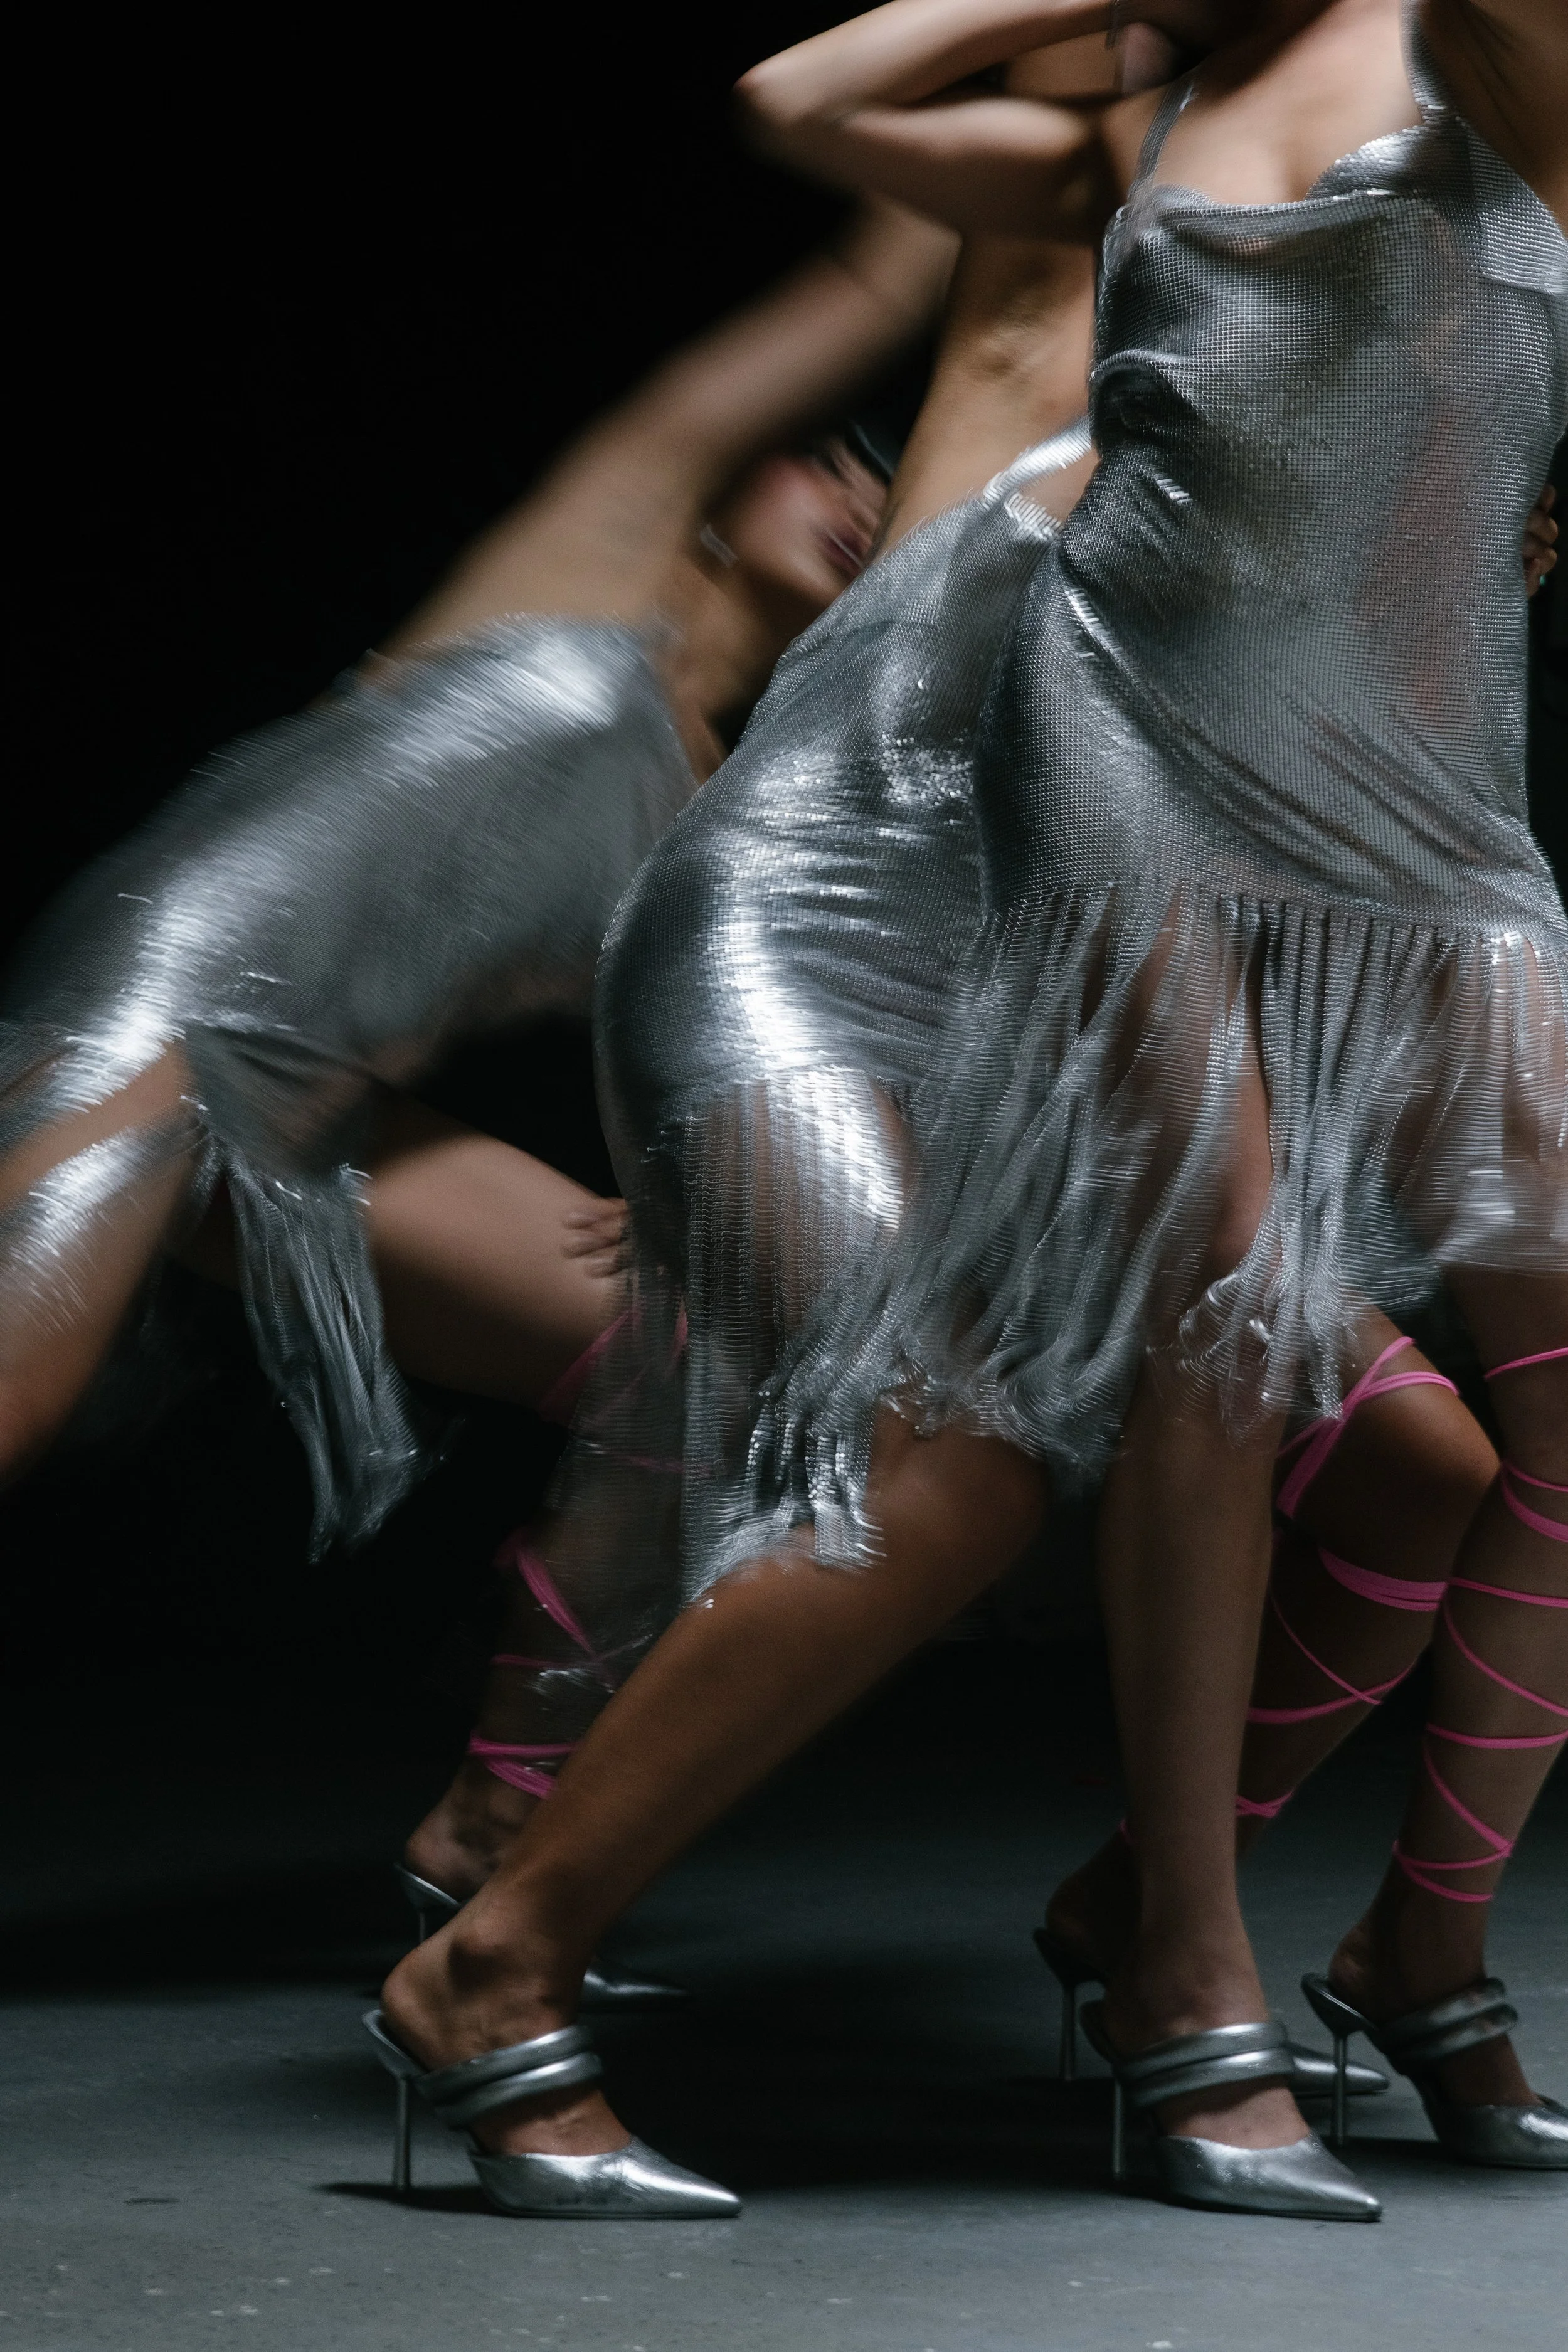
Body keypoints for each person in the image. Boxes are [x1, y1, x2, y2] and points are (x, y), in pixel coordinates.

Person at [370, 4, 1565, 2220]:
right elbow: (810, 88)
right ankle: (492, 1951)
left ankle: (1196, 1936)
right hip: (819, 931)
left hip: (1072, 943)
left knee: (1414, 1454)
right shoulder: (1131, 146)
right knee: (970, 1464)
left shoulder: (1455, 144)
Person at [0, 201, 953, 1557]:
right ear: (737, 472)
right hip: (159, 1001)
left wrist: (693, 1191)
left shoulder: (719, 827)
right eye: (826, 463)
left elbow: (745, 1054)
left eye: (891, 493)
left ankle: (511, 1773)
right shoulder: (596, 556)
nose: (860, 503)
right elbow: (873, 272)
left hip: (307, 1108)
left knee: (676, 1358)